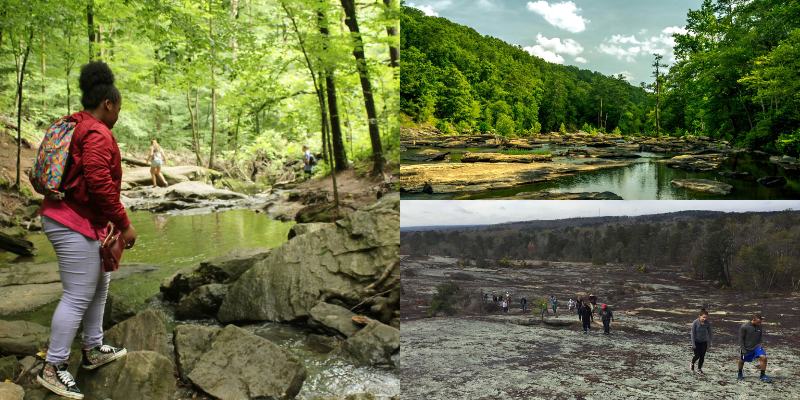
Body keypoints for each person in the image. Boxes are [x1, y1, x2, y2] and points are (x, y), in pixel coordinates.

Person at [37, 61, 135, 399]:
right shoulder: (96, 131)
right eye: (118, 108)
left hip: (77, 218)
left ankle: (92, 348)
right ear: (108, 103)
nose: (119, 115)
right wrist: (124, 224)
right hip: (69, 220)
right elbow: (98, 182)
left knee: (99, 282)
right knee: (78, 293)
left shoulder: (79, 123)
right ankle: (53, 367)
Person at [737, 313, 771, 383]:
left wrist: (760, 345)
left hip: (757, 347)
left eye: (760, 322)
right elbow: (741, 339)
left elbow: (760, 336)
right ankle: (740, 373)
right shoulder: (744, 327)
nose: (759, 324)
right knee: (742, 360)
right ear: (753, 320)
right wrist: (743, 349)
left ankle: (762, 375)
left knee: (763, 358)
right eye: (758, 322)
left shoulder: (759, 326)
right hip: (746, 348)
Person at [690, 309, 712, 374]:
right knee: (697, 355)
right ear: (699, 316)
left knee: (702, 356)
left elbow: (710, 333)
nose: (705, 319)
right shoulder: (695, 322)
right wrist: (693, 344)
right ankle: (692, 363)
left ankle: (699, 369)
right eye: (703, 317)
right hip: (696, 342)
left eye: (706, 317)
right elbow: (692, 334)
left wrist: (709, 343)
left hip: (704, 342)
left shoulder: (707, 323)